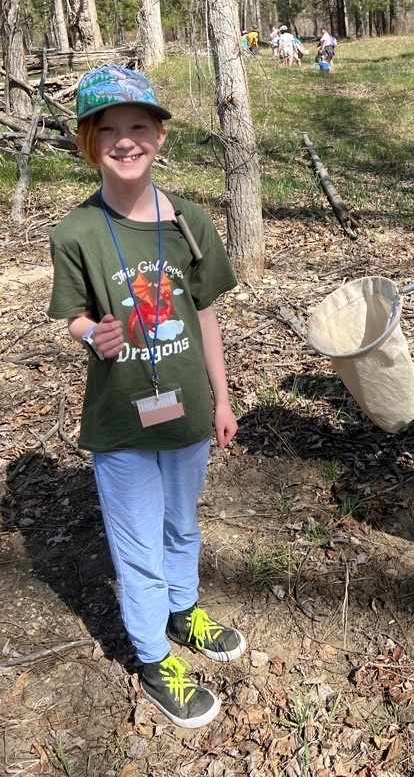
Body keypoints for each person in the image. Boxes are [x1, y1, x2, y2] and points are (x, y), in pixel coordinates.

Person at [47, 65, 245, 729]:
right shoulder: (75, 232)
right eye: (110, 130)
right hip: (120, 422)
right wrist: (89, 335)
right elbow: (73, 312)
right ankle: (154, 653)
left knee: (181, 524)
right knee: (136, 543)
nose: (126, 141)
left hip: (186, 409)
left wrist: (221, 400)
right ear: (87, 141)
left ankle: (184, 609)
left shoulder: (191, 222)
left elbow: (207, 316)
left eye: (139, 127)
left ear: (159, 137)